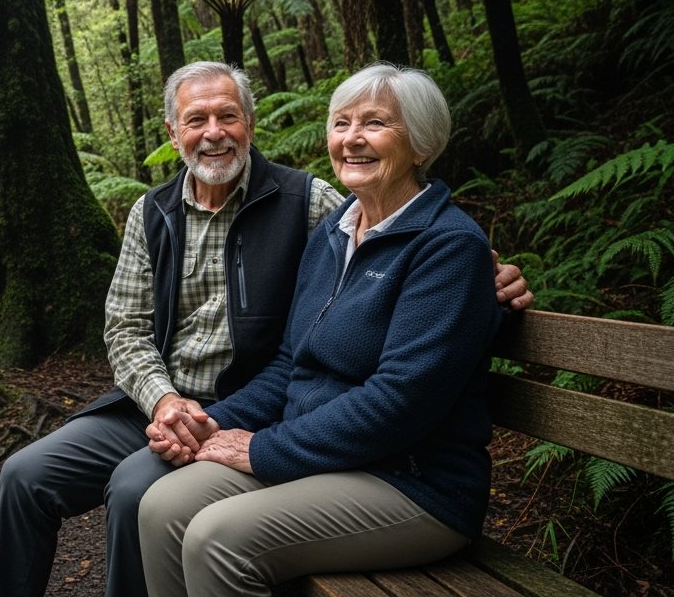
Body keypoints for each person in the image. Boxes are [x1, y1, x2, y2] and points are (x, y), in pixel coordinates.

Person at [0, 61, 530, 597]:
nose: (213, 133)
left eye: (375, 124)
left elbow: (417, 264)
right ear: (174, 134)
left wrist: (488, 280)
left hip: (337, 444)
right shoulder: (170, 214)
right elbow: (127, 329)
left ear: (250, 124)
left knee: (148, 497)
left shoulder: (312, 206)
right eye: (342, 124)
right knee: (30, 476)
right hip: (176, 406)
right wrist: (171, 407)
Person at [137, 63, 506, 597]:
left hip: (412, 482)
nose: (352, 139)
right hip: (323, 459)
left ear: (422, 144)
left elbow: (399, 402)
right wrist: (207, 422)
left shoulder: (447, 247)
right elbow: (291, 364)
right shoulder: (334, 233)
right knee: (162, 507)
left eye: (376, 124)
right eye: (341, 123)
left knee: (217, 538)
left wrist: (263, 449)